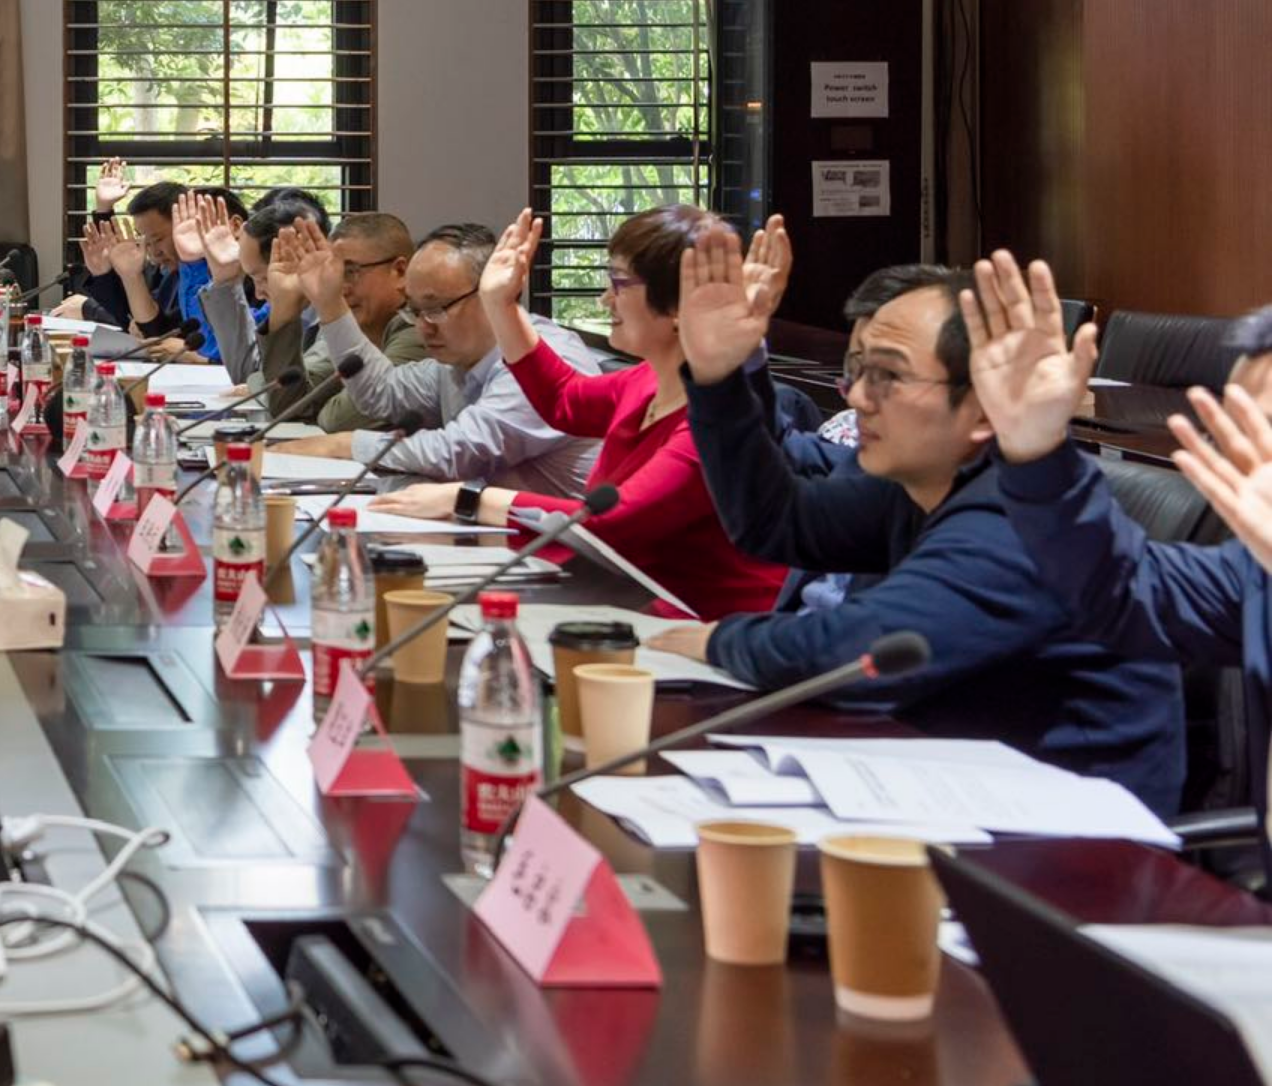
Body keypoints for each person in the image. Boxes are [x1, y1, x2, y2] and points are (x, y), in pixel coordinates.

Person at [645, 221, 1182, 807]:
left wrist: (719, 639)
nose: (856, 397)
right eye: (858, 372)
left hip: (1073, 834)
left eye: (888, 376)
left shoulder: (1022, 520)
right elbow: (774, 519)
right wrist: (720, 377)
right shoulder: (927, 484)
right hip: (951, 784)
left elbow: (857, 653)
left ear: (986, 405)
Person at [965, 255, 1272, 827]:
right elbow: (1114, 588)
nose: (1242, 461)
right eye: (1232, 428)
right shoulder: (1253, 572)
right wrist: (1036, 450)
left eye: (1264, 432)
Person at [373, 207, 786, 617]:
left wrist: (468, 498)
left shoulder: (715, 419)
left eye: (619, 284)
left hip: (718, 626)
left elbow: (615, 522)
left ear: (680, 303)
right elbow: (562, 400)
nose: (605, 298)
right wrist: (500, 304)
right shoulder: (645, 380)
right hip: (637, 601)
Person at [273, 222, 601, 498]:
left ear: (495, 293)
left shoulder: (544, 359)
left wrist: (344, 445)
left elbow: (458, 452)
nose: (423, 327)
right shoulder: (457, 363)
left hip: (572, 549)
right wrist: (330, 303)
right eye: (415, 310)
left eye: (436, 308)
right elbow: (381, 392)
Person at [231, 209, 419, 433]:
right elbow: (286, 402)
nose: (339, 287)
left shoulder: (418, 329)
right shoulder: (356, 325)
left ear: (399, 271)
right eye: (333, 273)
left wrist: (315, 408)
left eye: (350, 272)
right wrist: (284, 309)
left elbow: (337, 419)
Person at [181, 188, 325, 376]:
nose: (258, 293)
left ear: (301, 254)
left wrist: (258, 385)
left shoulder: (346, 309)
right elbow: (248, 373)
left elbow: (282, 385)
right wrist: (224, 278)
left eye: (264, 279)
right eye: (253, 279)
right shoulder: (286, 309)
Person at [69, 182, 193, 348]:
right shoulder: (168, 274)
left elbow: (159, 334)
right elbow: (135, 320)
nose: (153, 252)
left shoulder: (208, 275)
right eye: (145, 242)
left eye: (158, 239)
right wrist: (103, 273)